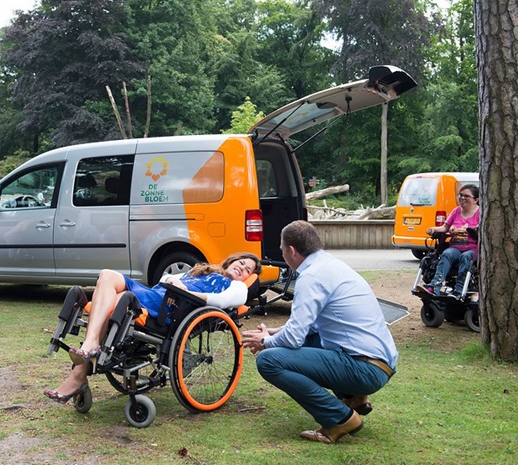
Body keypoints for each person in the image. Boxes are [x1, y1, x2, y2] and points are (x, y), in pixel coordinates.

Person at [241, 221, 398, 444]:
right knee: (312, 337)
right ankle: (353, 398)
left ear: (292, 251)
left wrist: (267, 342)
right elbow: (311, 326)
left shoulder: (311, 276)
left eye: (282, 250)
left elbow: (295, 338)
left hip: (365, 369)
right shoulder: (329, 265)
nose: (283, 255)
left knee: (269, 360)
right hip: (379, 363)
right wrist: (274, 333)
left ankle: (339, 419)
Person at [44, 252, 262, 403]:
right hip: (156, 294)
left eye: (247, 269)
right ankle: (90, 348)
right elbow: (166, 278)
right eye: (240, 262)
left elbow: (219, 302)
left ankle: (78, 375)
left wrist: (185, 290)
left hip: (172, 308)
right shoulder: (204, 270)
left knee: (118, 298)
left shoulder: (237, 287)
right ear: (231, 261)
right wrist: (175, 281)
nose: (241, 267)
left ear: (247, 277)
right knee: (107, 276)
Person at [422, 184, 479, 298]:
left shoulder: (480, 213)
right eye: (461, 195)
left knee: (466, 257)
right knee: (447, 253)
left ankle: (459, 290)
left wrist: (475, 230)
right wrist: (433, 229)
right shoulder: (456, 211)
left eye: (466, 196)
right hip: (456, 247)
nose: (462, 198)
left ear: (475, 200)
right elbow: (444, 227)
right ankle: (434, 286)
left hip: (473, 248)